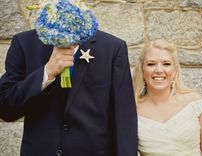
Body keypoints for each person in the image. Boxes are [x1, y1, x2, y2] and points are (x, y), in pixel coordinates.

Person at [0, 24, 137, 156]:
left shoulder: (112, 47)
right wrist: (46, 73)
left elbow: (123, 119)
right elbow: (6, 109)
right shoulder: (24, 43)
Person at [132, 40, 202, 156]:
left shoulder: (196, 104)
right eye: (151, 64)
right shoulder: (132, 110)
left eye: (166, 64)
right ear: (142, 70)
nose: (159, 70)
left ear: (175, 70)